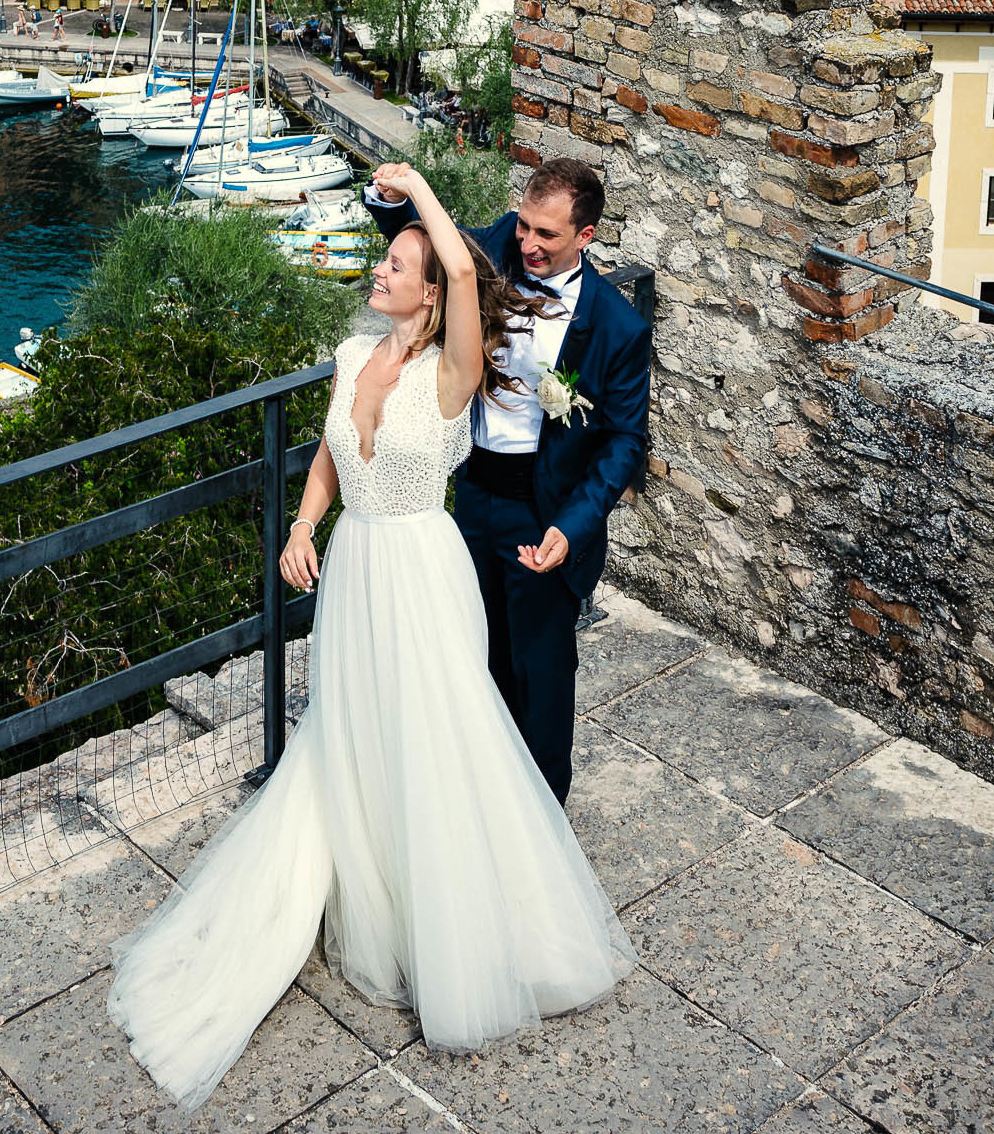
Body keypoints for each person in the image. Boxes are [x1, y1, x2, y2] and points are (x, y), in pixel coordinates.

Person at [107, 162, 632, 1109]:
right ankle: (374, 869)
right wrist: (302, 529)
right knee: (355, 733)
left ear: (431, 291)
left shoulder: (449, 373)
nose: (378, 272)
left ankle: (464, 906)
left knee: (443, 729)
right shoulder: (354, 359)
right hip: (353, 576)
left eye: (396, 263)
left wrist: (425, 190)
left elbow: (469, 274)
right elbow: (327, 460)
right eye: (385, 260)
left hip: (422, 568)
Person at [364, 156, 649, 804]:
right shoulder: (495, 245)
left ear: (587, 235)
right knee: (471, 653)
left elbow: (625, 442)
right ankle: (481, 807)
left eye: (546, 235)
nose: (528, 244)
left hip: (544, 514)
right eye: (524, 227)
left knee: (541, 674)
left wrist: (572, 530)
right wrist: (387, 194)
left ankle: (543, 820)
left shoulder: (617, 327)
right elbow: (432, 240)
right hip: (469, 499)